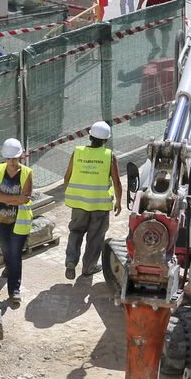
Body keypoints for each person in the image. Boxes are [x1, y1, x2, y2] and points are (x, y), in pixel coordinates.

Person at [62, 120, 123, 282]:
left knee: (75, 231)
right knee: (95, 237)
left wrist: (69, 194)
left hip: (79, 203)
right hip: (99, 205)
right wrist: (119, 201)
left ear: (90, 137)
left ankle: (70, 261)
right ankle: (88, 267)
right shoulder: (109, 156)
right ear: (106, 140)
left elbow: (67, 177)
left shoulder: (77, 152)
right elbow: (117, 182)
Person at [0, 137, 34, 305]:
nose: (11, 162)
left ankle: (14, 290)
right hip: (0, 220)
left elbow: (25, 198)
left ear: (20, 156)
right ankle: (9, 269)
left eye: (14, 158)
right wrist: (15, 199)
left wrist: (7, 199)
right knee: (7, 252)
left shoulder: (27, 173)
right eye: (8, 158)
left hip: (18, 221)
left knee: (15, 255)